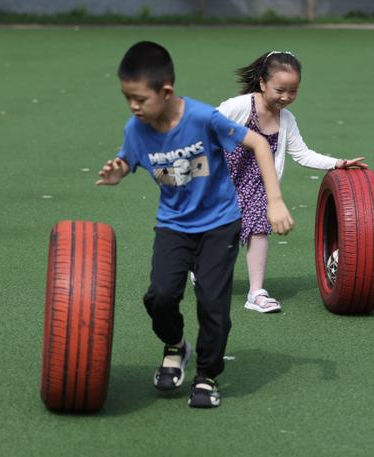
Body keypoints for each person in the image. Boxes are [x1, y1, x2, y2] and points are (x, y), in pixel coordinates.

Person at [95, 41, 294, 408]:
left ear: (165, 91)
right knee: (160, 296)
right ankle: (175, 346)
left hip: (220, 223)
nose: (133, 106)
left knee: (212, 305)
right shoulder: (136, 129)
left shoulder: (203, 118)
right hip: (173, 226)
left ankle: (207, 375)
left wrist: (275, 201)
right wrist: (117, 171)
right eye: (128, 98)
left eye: (139, 98)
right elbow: (129, 159)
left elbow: (259, 145)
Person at [217, 50, 367, 313]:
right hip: (223, 179)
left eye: (293, 91)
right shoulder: (238, 106)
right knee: (218, 236)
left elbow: (302, 154)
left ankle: (256, 292)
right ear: (262, 83)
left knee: (259, 228)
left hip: (260, 185)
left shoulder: (286, 119)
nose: (286, 97)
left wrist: (337, 163)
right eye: (280, 89)